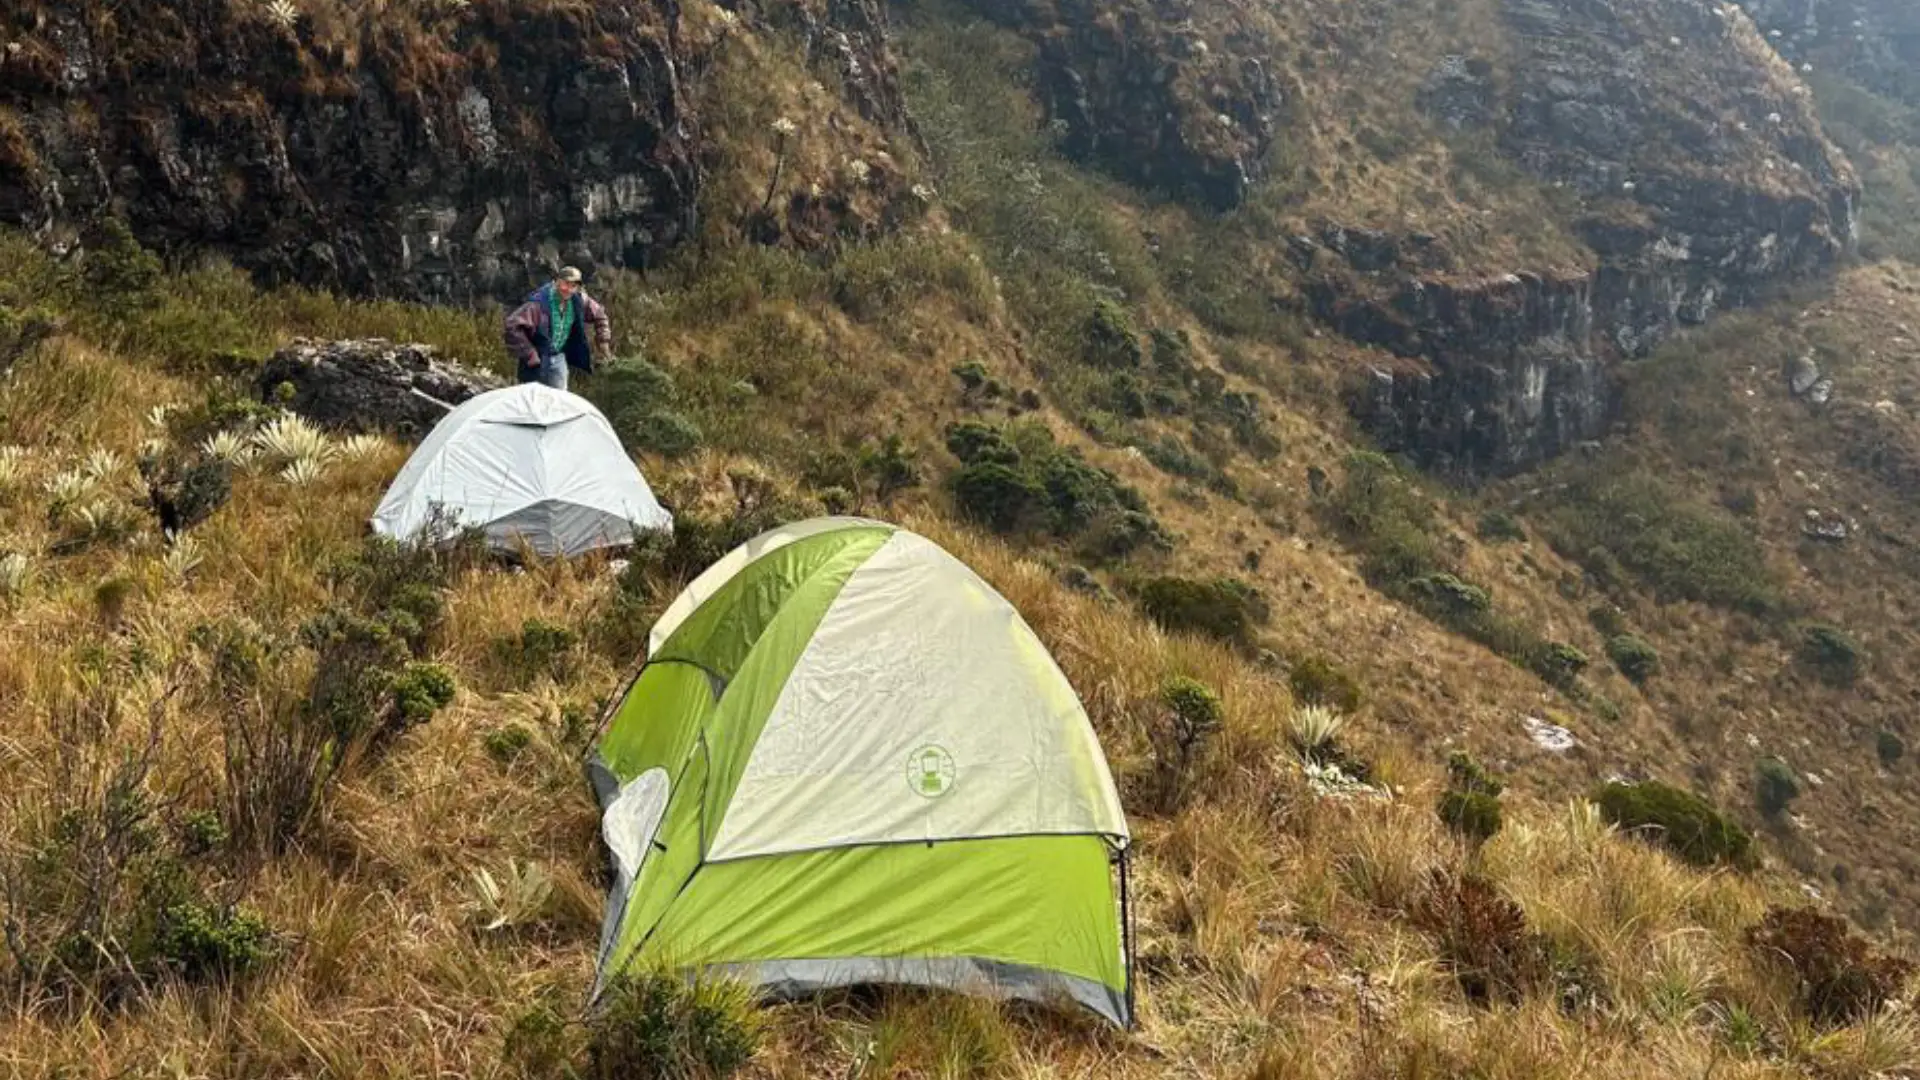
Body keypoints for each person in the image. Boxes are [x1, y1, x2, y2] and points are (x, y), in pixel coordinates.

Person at [503, 266, 613, 391]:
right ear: (556, 282)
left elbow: (600, 314)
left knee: (559, 398)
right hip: (537, 359)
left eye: (573, 285)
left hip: (559, 356)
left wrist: (603, 341)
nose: (568, 289)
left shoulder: (579, 300)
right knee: (532, 399)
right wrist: (529, 353)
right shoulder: (538, 303)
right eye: (565, 284)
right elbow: (512, 325)